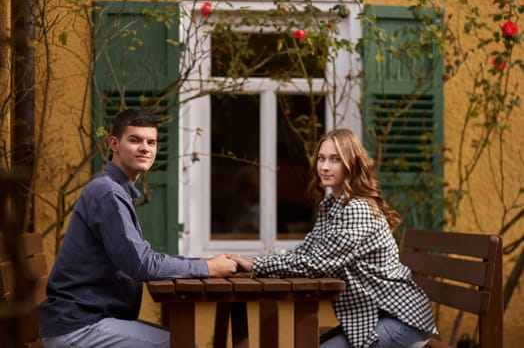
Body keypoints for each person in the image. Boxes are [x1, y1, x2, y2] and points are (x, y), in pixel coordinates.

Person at [39, 109, 238, 348]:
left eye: (151, 142)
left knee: (182, 341)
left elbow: (142, 258)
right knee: (184, 345)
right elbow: (141, 264)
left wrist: (203, 262)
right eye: (135, 140)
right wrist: (206, 267)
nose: (145, 148)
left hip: (86, 321)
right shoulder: (108, 193)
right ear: (114, 143)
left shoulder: (115, 190)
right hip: (79, 327)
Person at [233, 128, 436, 348]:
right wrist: (256, 263)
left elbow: (318, 263)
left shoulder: (357, 209)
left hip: (403, 320)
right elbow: (307, 253)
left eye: (335, 159)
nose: (324, 166)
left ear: (351, 164)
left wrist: (259, 265)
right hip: (372, 317)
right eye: (321, 159)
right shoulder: (332, 206)